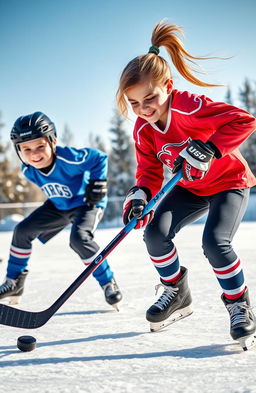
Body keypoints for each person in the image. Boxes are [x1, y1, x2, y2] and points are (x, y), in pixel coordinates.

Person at [117, 21, 256, 349]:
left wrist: (210, 148)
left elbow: (245, 120)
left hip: (228, 182)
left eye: (149, 98)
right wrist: (141, 197)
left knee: (215, 242)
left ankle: (239, 305)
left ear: (167, 86)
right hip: (191, 187)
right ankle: (176, 291)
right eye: (134, 103)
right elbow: (149, 170)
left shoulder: (189, 106)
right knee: (154, 233)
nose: (143, 109)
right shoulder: (143, 129)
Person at [0, 112, 122, 310]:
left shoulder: (69, 158)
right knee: (21, 232)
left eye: (40, 146)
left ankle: (108, 282)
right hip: (58, 206)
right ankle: (14, 282)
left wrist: (97, 182)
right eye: (26, 149)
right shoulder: (27, 170)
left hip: (86, 203)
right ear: (18, 150)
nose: (34, 154)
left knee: (79, 239)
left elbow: (99, 157)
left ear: (53, 141)